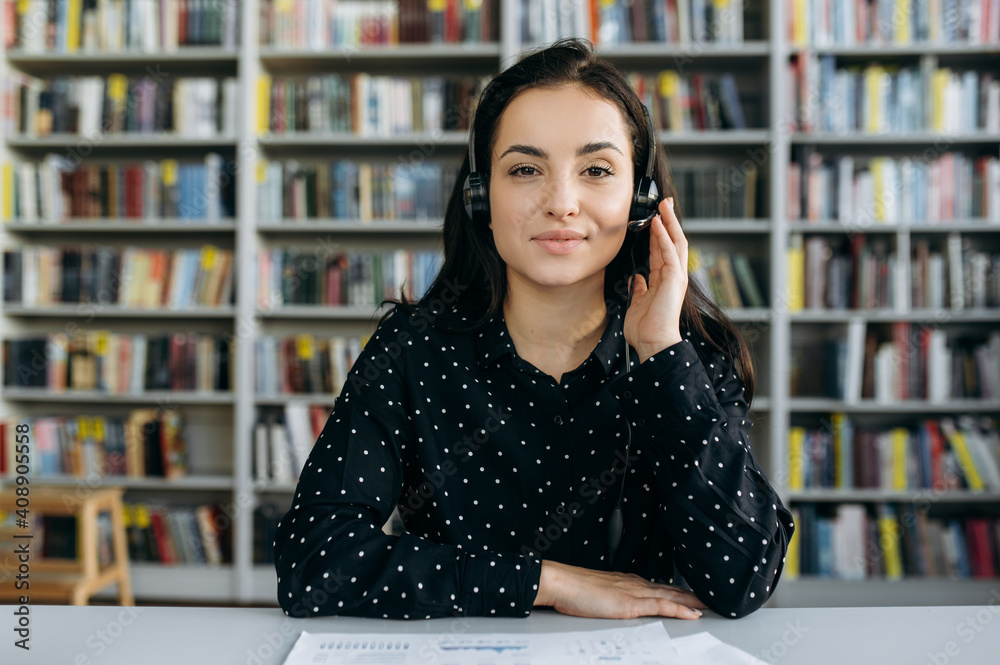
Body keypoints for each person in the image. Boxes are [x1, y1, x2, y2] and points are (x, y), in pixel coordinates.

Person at [273, 37, 794, 621]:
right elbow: (312, 562)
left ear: (641, 200)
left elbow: (744, 578)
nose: (562, 202)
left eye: (597, 170)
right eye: (525, 169)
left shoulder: (686, 351)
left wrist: (662, 356)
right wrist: (548, 583)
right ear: (480, 198)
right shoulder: (411, 350)